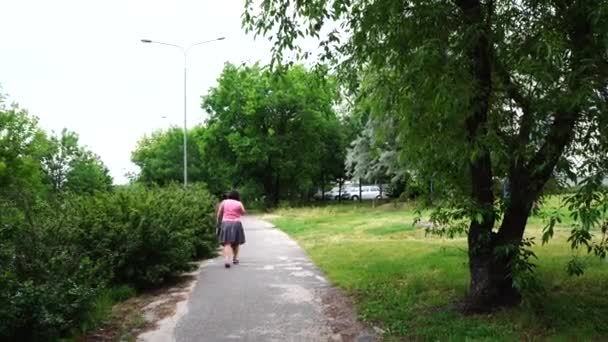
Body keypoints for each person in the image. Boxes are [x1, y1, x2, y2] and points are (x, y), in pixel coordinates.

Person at [216, 190, 246, 268]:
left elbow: (219, 213)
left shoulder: (224, 202)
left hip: (226, 223)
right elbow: (243, 212)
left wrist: (219, 222)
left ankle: (227, 260)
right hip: (237, 223)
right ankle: (235, 258)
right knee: (236, 242)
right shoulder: (239, 203)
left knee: (227, 243)